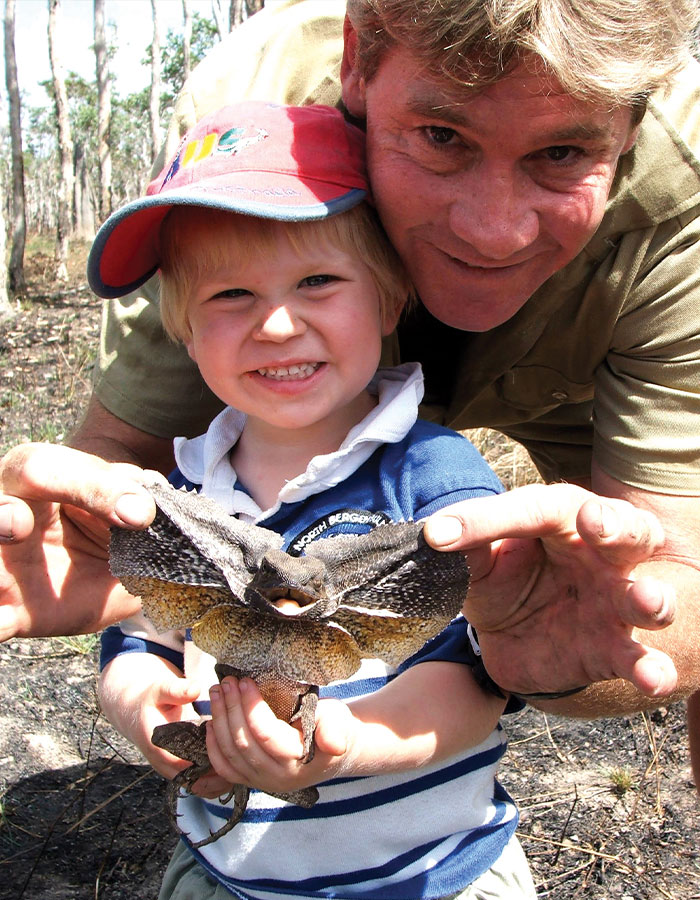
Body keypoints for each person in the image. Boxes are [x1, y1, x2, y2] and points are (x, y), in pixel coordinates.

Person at [0, 0, 698, 721]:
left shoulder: (685, 186)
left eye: (561, 154)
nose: (495, 232)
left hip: (581, 355)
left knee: (625, 571)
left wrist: (554, 653)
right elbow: (110, 474)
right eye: (441, 135)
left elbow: (682, 572)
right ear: (356, 61)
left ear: (634, 124)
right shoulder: (249, 114)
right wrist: (105, 560)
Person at [92, 99, 535, 899]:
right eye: (229, 296)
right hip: (231, 876)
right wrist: (144, 709)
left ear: (389, 296)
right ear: (183, 329)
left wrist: (340, 743)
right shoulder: (175, 497)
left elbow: (477, 682)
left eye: (318, 280)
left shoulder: (433, 476)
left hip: (436, 876)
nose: (277, 323)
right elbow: (134, 639)